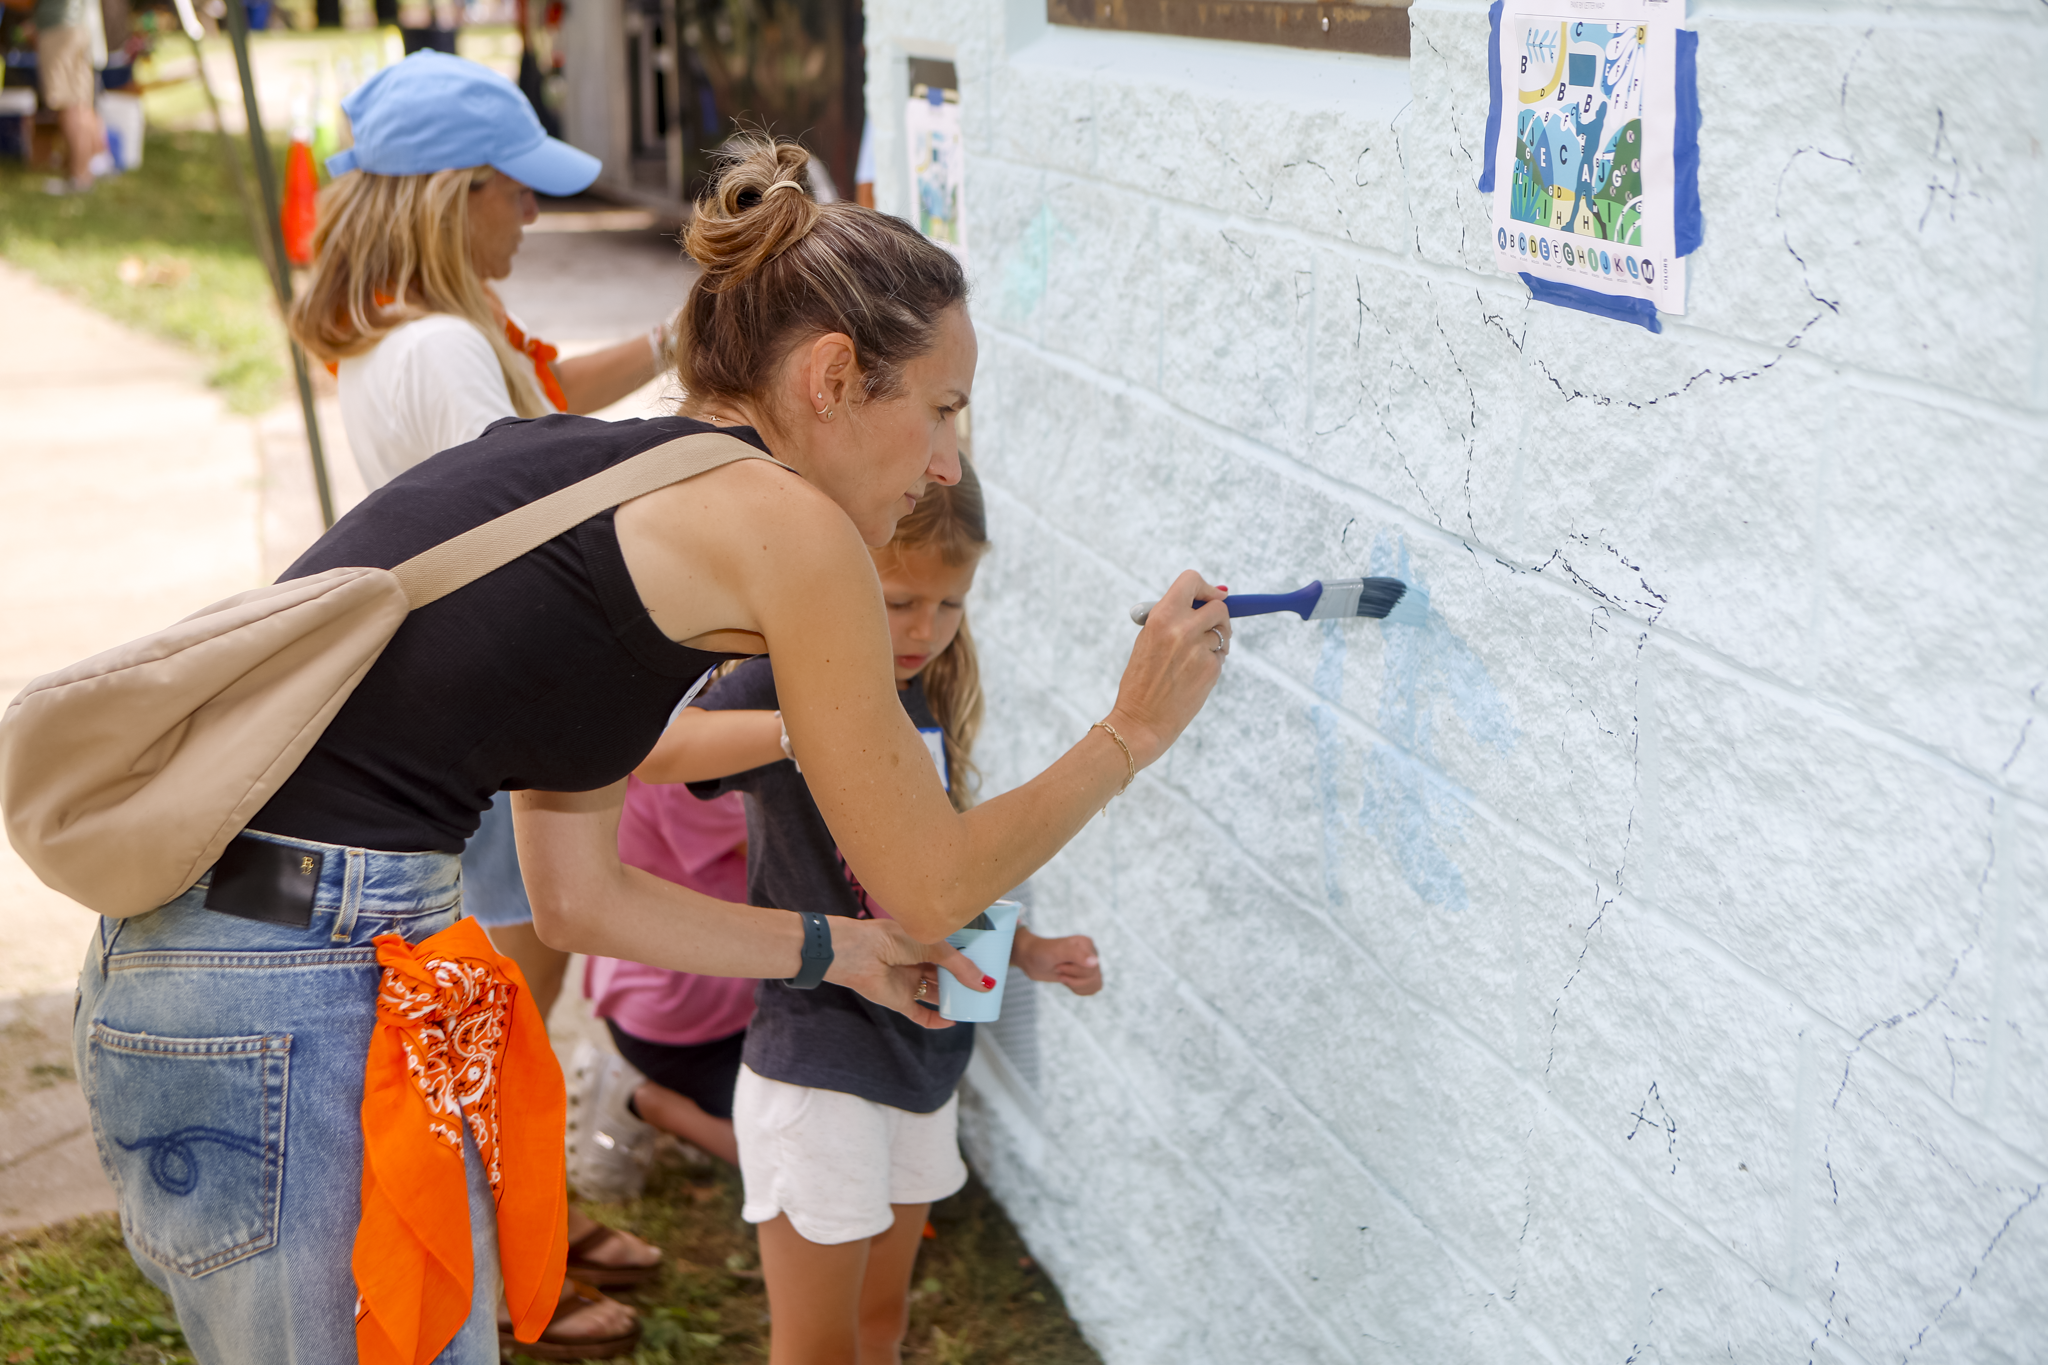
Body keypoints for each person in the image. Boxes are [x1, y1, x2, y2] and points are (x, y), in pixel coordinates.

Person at [74, 123, 1228, 1365]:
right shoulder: (787, 527)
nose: (947, 463)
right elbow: (932, 883)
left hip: (227, 957)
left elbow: (577, 898)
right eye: (941, 409)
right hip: (287, 976)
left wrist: (839, 950)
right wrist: (1130, 731)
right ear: (832, 377)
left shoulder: (618, 487)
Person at [286, 49, 680, 1357]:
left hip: (452, 710)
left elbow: (542, 407)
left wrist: (672, 347)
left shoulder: (416, 331)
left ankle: (529, 1222)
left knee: (499, 1004)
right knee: (501, 1012)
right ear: (455, 195)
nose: (534, 213)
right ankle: (511, 1270)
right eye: (516, 189)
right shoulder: (450, 346)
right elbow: (522, 513)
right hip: (503, 720)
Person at [642, 462, 1105, 1363]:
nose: (926, 630)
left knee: (878, 1328)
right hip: (818, 1063)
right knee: (817, 1348)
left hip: (920, 1063)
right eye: (900, 602)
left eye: (950, 604)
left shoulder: (925, 692)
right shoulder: (787, 678)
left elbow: (932, 876)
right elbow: (656, 748)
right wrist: (801, 730)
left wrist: (1027, 950)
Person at [32, 0, 104, 195]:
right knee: (80, 103)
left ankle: (78, 178)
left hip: (59, 30)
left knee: (69, 104)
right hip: (78, 27)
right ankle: (82, 173)